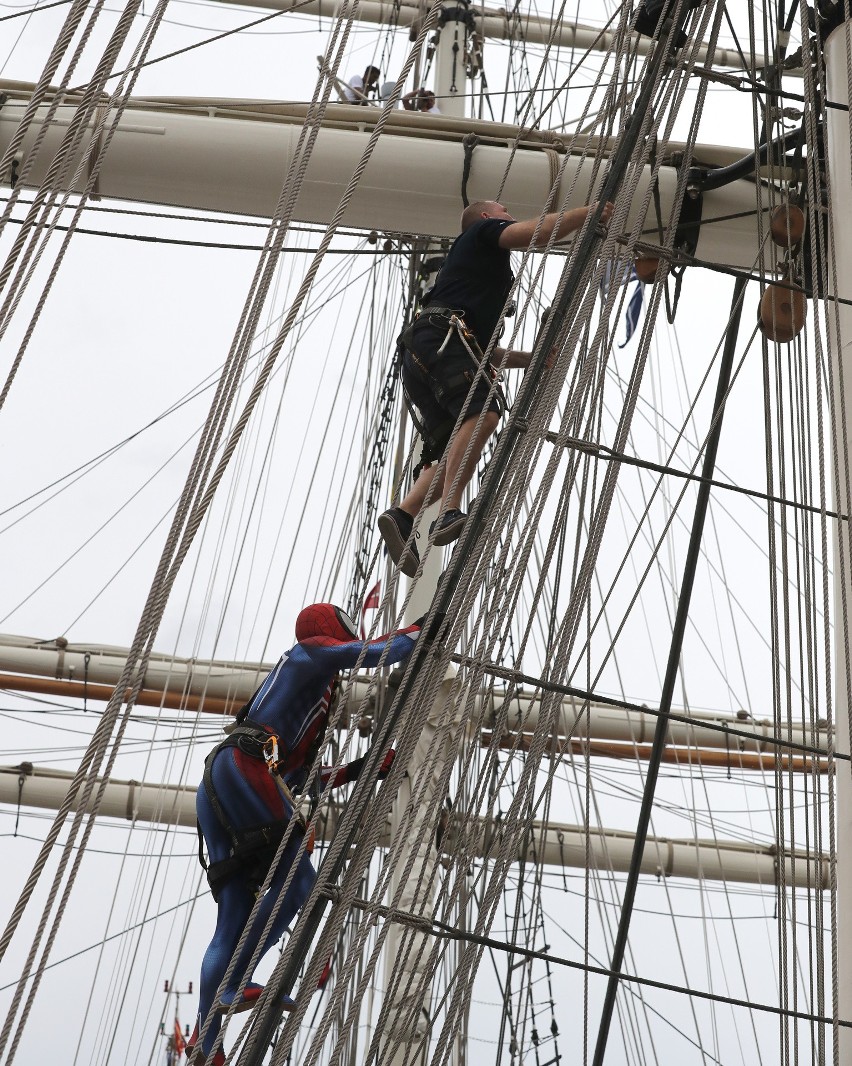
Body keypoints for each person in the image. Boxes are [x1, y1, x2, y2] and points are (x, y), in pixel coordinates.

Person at [188, 603, 420, 1065]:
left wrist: (359, 769)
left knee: (231, 918)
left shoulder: (294, 690)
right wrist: (419, 630)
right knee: (299, 883)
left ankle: (207, 1043)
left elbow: (299, 782)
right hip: (246, 768)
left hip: (222, 779)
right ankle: (237, 981)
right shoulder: (312, 654)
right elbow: (374, 652)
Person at [378, 198, 614, 577]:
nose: (510, 214)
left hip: (425, 352)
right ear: (488, 217)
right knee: (485, 410)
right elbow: (534, 234)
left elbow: (486, 353)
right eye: (503, 210)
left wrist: (532, 359)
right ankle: (449, 511)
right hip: (441, 341)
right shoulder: (481, 232)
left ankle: (404, 513)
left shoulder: (473, 280)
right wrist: (588, 213)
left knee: (451, 448)